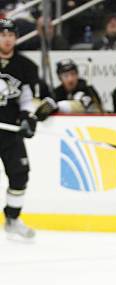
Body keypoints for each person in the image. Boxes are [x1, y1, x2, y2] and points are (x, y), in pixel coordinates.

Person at [0, 19, 38, 240]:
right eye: (3, 34)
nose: (7, 38)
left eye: (11, 34)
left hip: (11, 131)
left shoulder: (25, 66)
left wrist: (27, 118)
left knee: (19, 175)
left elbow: (27, 98)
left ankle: (12, 219)